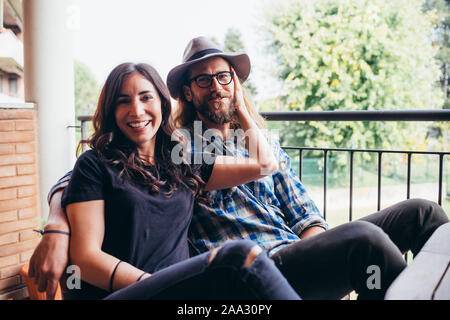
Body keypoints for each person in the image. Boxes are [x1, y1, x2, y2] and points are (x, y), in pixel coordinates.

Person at [32, 37, 449, 300]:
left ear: (237, 82)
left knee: (422, 212)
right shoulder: (179, 147)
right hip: (252, 265)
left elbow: (302, 210)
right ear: (185, 94)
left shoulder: (259, 146)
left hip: (296, 256)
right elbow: (86, 175)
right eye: (203, 80)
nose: (215, 86)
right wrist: (56, 224)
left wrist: (322, 251)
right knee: (363, 240)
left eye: (224, 76)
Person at [30, 61, 301, 300]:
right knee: (240, 256)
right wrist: (56, 225)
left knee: (344, 237)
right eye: (123, 101)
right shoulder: (96, 164)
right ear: (111, 110)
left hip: (176, 290)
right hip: (127, 292)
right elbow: (85, 259)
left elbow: (265, 164)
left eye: (146, 97)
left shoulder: (181, 161)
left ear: (162, 102)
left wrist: (240, 107)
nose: (136, 110)